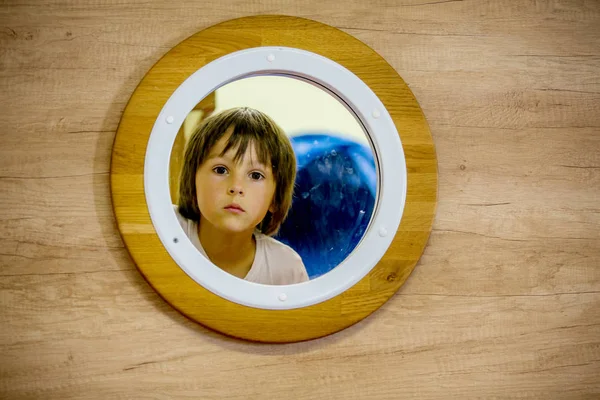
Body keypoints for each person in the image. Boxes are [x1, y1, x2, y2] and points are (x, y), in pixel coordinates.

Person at [175, 107, 309, 285]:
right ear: (192, 180)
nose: (236, 187)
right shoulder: (164, 228)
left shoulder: (286, 269)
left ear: (275, 199)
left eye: (255, 175)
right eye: (221, 170)